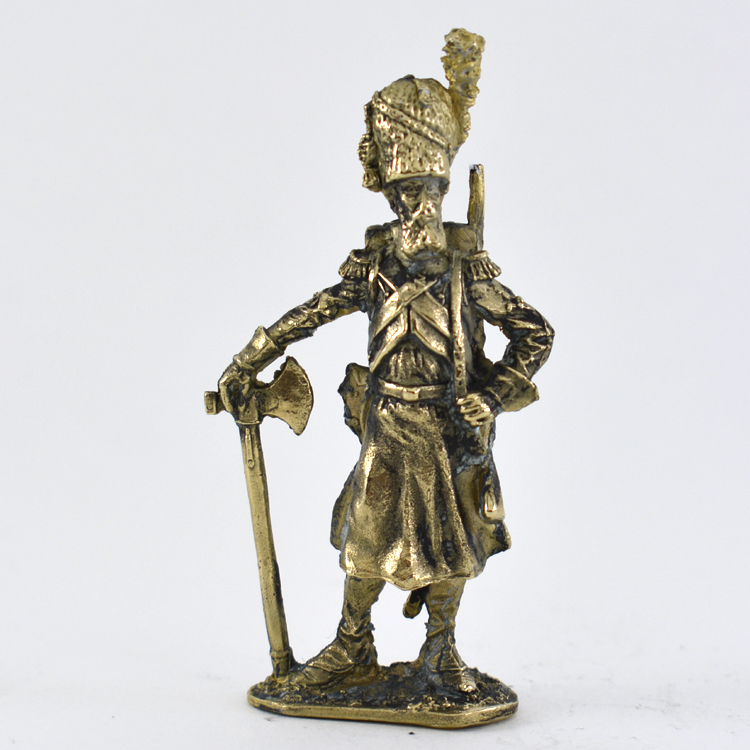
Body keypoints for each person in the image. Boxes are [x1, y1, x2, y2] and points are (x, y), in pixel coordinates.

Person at [217, 29, 553, 694]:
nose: (413, 206)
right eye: (402, 194)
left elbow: (534, 333)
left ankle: (441, 650)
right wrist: (250, 357)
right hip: (387, 425)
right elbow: (316, 309)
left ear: (442, 188)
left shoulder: (467, 270)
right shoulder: (374, 265)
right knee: (365, 539)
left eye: (424, 190)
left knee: (453, 545)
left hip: (449, 429)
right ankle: (352, 645)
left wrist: (491, 398)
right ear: (389, 197)